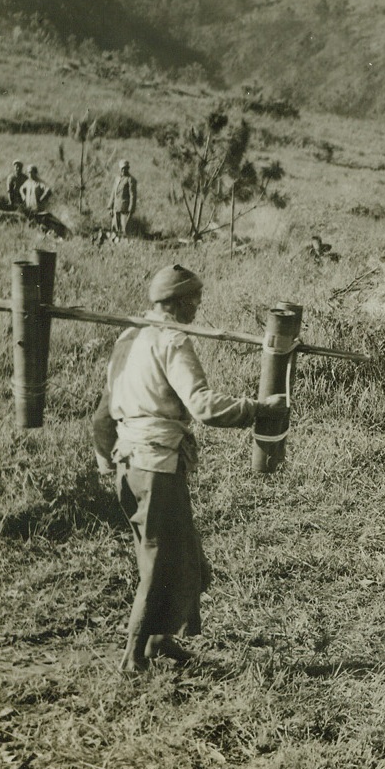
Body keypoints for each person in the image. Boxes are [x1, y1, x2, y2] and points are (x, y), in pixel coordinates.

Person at [92, 265, 286, 672]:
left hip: (130, 465)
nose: (198, 308)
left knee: (185, 557)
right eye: (195, 300)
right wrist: (257, 409)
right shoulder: (171, 340)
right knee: (162, 561)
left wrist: (106, 463)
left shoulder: (127, 337)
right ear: (179, 303)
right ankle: (133, 656)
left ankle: (160, 641)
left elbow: (101, 418)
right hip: (156, 466)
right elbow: (203, 406)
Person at [109, 159, 138, 236]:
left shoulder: (130, 180)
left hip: (125, 208)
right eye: (122, 168)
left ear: (128, 168)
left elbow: (133, 195)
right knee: (114, 229)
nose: (123, 170)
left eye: (125, 168)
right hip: (116, 207)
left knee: (125, 229)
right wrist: (110, 207)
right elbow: (113, 193)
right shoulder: (117, 179)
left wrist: (131, 209)